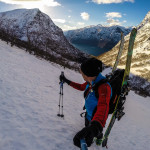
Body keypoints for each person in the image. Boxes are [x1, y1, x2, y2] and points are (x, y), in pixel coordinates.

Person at [59, 58, 111, 148]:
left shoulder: (104, 87)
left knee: (96, 132)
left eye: (82, 72)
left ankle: (99, 137)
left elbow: (104, 106)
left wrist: (96, 126)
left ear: (88, 74)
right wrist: (66, 81)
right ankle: (92, 130)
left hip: (96, 119)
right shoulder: (91, 81)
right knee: (87, 127)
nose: (81, 74)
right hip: (88, 114)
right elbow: (81, 87)